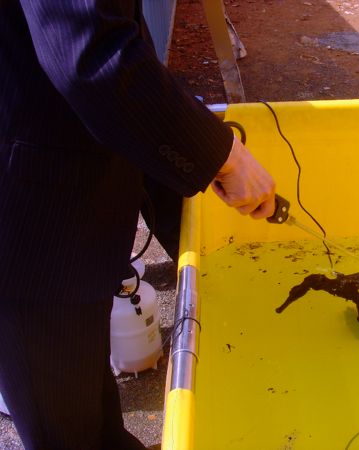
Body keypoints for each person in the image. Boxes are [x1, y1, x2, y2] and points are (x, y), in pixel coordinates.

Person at [0, 1, 275, 449]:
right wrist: (222, 155)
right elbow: (90, 53)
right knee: (63, 429)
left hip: (67, 196)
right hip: (30, 226)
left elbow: (115, 27)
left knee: (88, 399)